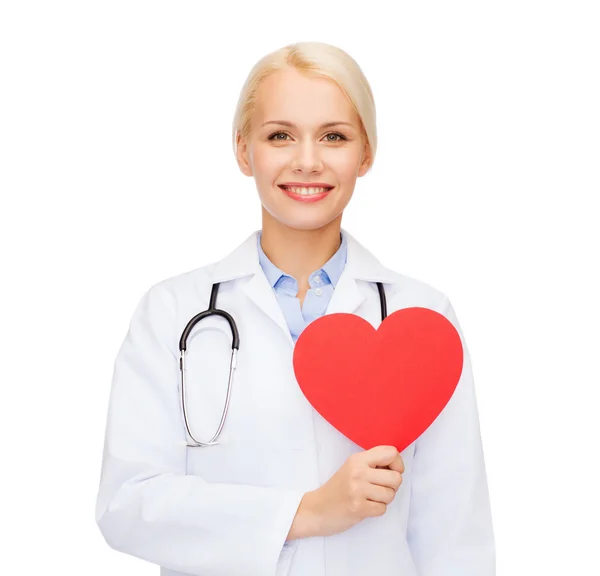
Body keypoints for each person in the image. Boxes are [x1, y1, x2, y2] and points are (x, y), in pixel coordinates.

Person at [95, 41, 495, 576]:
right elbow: (128, 504)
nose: (307, 160)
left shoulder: (421, 316)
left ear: (366, 154)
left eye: (334, 136)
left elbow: (455, 538)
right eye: (279, 135)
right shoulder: (173, 313)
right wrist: (306, 513)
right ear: (243, 151)